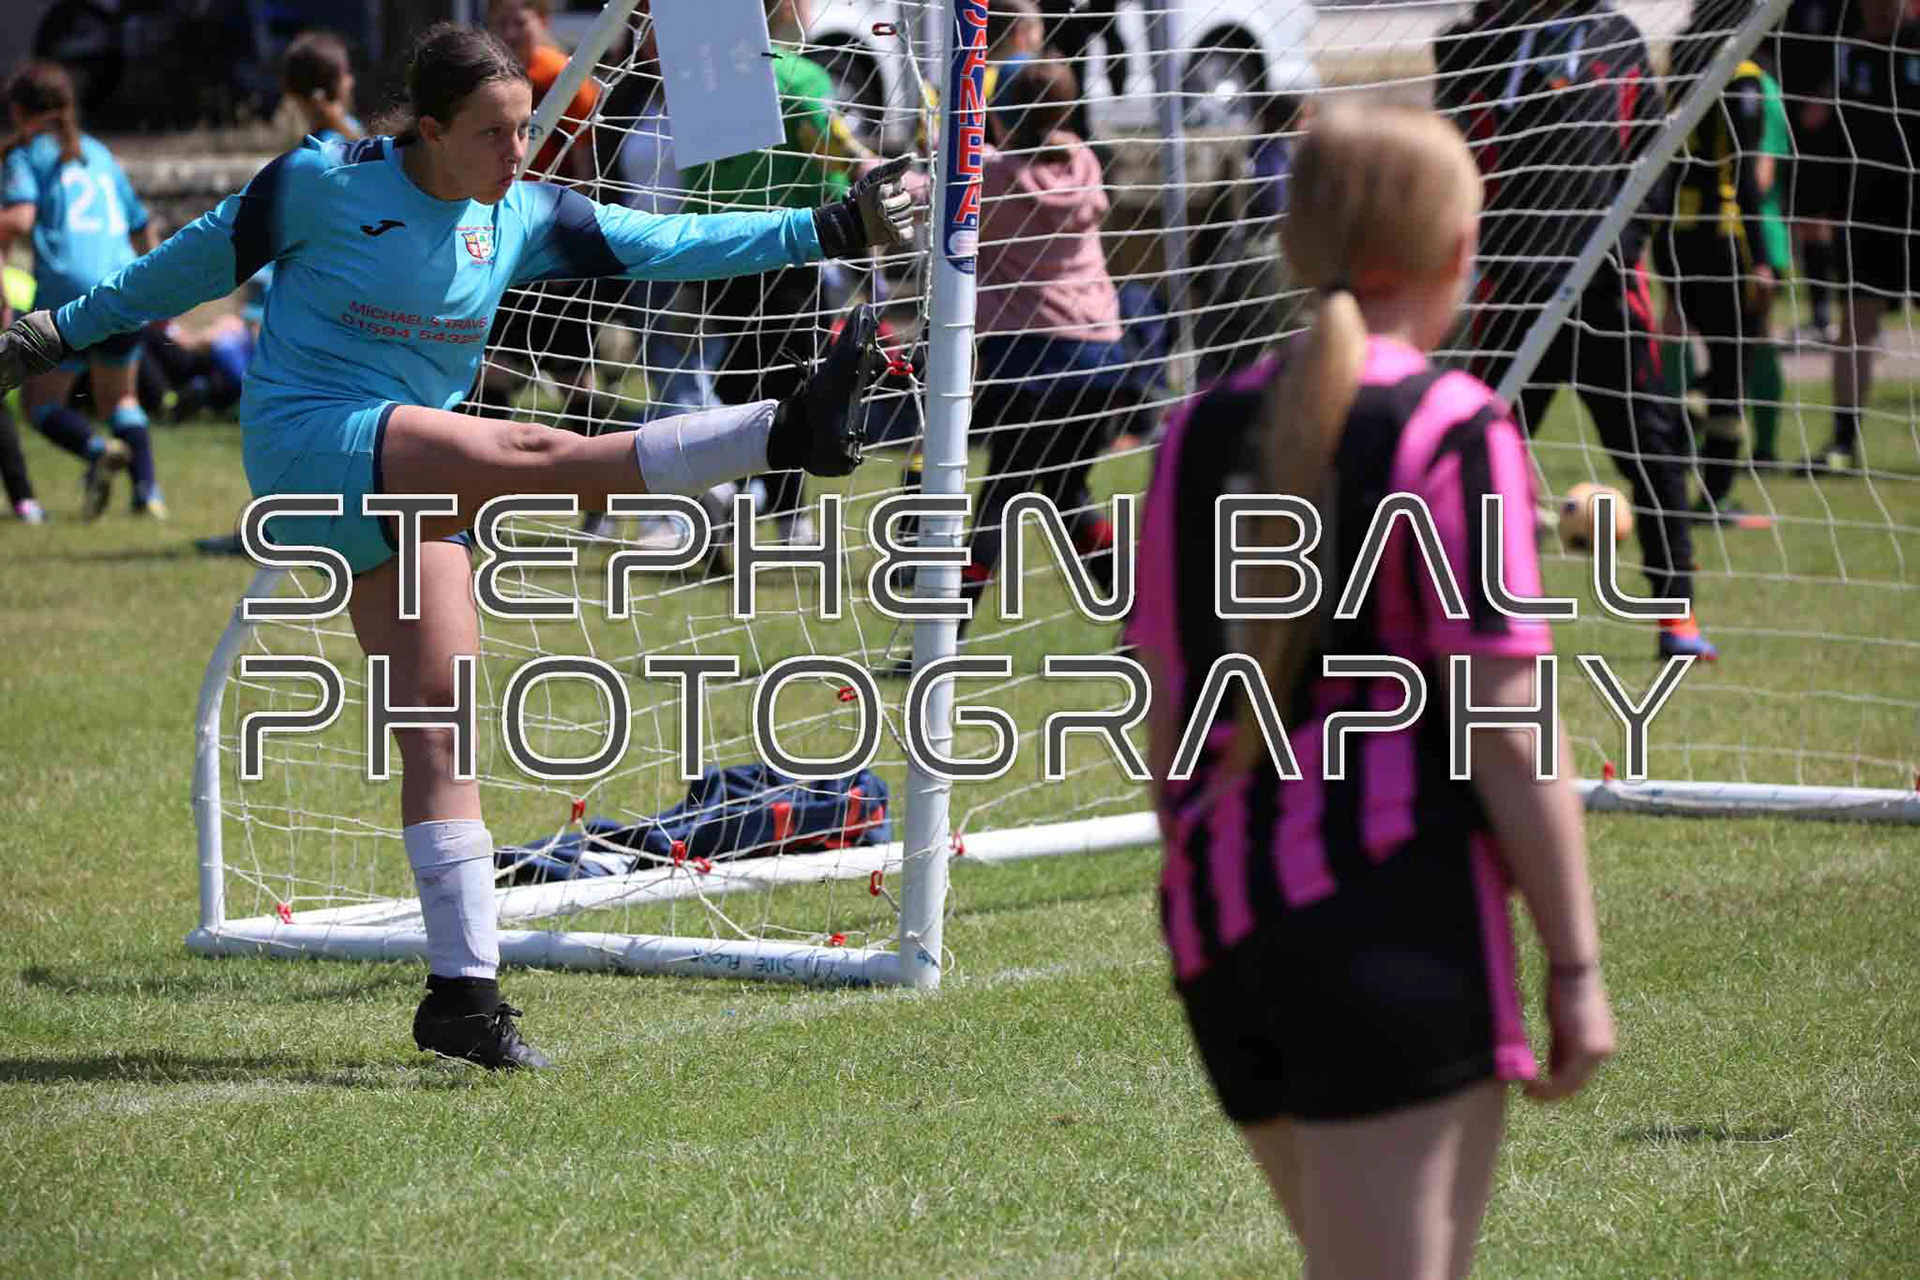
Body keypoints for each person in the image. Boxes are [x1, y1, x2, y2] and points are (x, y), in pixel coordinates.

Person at [0, 23, 917, 1070]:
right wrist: (51, 333)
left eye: (523, 130)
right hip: (309, 442)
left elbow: (668, 242)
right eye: (492, 133)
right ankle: (782, 434)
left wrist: (831, 222)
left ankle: (464, 998)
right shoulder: (320, 183)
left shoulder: (520, 212)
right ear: (427, 130)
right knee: (530, 448)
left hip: (405, 469)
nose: (517, 153)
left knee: (441, 725)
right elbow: (181, 269)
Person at [1128, 104, 1614, 1279]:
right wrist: (1576, 964)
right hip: (1390, 921)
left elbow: (1165, 713)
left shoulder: (1194, 431)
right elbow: (1510, 728)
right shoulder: (1453, 427)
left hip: (1220, 929)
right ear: (1458, 250)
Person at [1433, 0, 1717, 661]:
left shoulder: (1617, 39)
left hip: (1608, 297)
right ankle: (1462, 613)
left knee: (1653, 452)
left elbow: (1654, 160)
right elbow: (1457, 148)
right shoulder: (1477, 45)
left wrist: (1622, 247)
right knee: (1474, 458)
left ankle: (1675, 612)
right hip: (1514, 296)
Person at [683, 0, 888, 546]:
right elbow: (833, 158)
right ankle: (786, 513)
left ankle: (732, 493)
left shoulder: (704, 75)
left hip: (718, 251)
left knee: (738, 377)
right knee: (793, 381)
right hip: (788, 251)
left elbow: (696, 178)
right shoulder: (801, 77)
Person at [960, 60, 1134, 632]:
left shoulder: (992, 178)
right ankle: (1142, 619)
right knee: (1065, 491)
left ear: (1006, 115)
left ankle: (941, 638)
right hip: (1102, 359)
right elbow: (1040, 143)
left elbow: (942, 187)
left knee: (1002, 498)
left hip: (1033, 362)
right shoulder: (1084, 162)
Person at [0, 61, 161, 519]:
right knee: (121, 400)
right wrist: (159, 288)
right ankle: (148, 493)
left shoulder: (26, 154)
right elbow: (141, 226)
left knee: (40, 404)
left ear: (18, 110)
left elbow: (20, 219)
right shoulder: (98, 153)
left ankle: (96, 450)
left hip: (66, 294)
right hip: (124, 285)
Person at [1654, 1, 1776, 525]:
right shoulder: (1741, 76)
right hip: (1723, 238)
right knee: (1733, 369)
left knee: (1716, 363)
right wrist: (1763, 259)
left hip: (1674, 237)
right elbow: (1745, 177)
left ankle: (1677, 438)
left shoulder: (1682, 61)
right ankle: (1715, 496)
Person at [1800, 0, 1918, 474]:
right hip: (1867, 211)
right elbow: (1826, 131)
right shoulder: (1847, 53)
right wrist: (1820, 201)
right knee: (1855, 325)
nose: (1878, 9)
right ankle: (1843, 442)